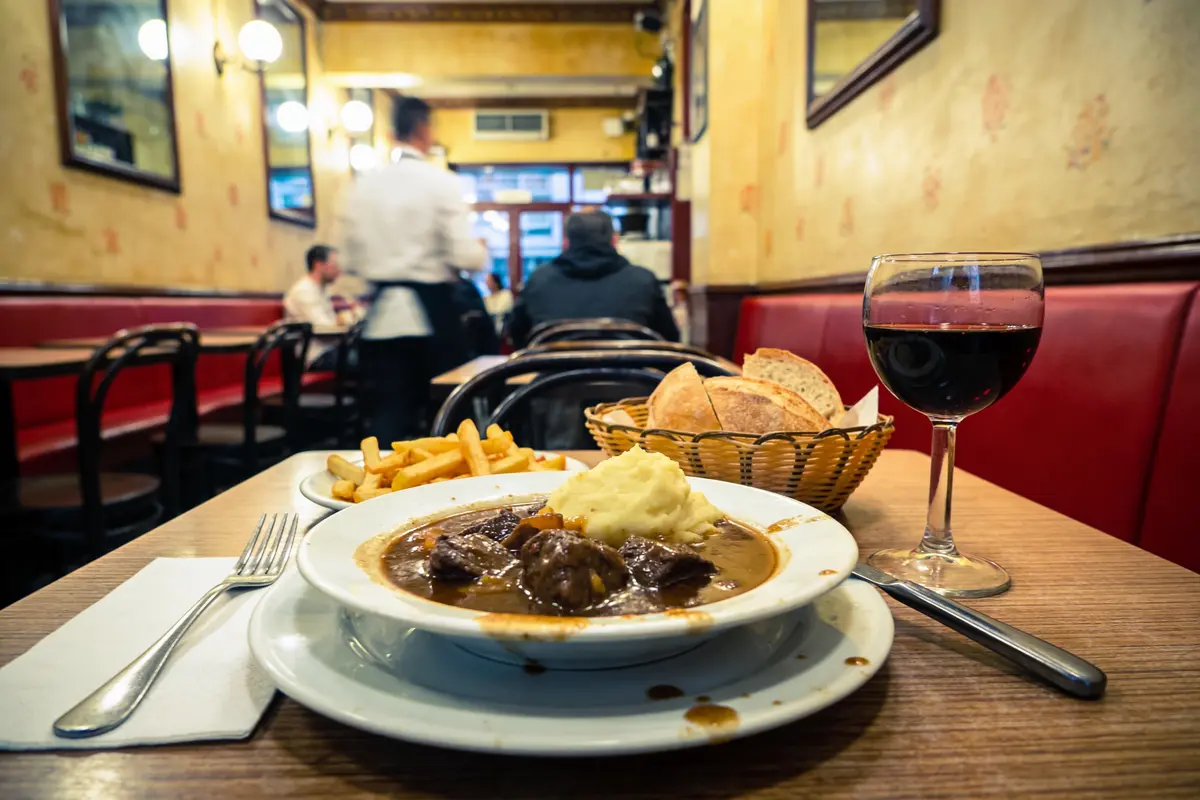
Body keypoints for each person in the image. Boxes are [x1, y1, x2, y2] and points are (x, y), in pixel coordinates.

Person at [340, 97, 487, 440]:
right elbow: (465, 257)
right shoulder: (441, 182)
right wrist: (480, 253)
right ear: (424, 129)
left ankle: (378, 486)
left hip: (381, 320)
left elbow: (348, 261)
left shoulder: (362, 186)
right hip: (434, 313)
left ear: (392, 133)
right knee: (449, 414)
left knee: (389, 413)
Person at [506, 211, 680, 347]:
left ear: (566, 241)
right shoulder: (644, 281)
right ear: (614, 240)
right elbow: (669, 339)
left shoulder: (538, 280)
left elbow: (517, 336)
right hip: (635, 387)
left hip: (547, 388)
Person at [284, 245, 343, 370]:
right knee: (368, 360)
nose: (339, 270)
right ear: (319, 265)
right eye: (335, 264)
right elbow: (324, 329)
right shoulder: (304, 291)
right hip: (315, 356)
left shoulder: (321, 289)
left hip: (331, 350)